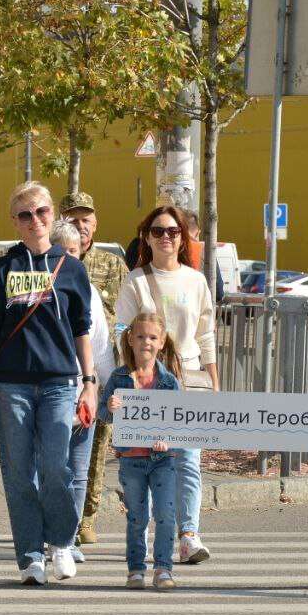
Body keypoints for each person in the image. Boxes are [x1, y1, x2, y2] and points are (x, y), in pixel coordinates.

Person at [0, 181, 95, 586]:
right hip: (12, 386)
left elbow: (83, 329)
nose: (34, 221)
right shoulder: (1, 270)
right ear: (15, 221)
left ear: (52, 215)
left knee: (56, 466)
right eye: (25, 215)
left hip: (60, 382)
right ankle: (29, 556)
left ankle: (61, 541)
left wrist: (90, 382)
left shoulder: (72, 268)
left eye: (41, 212)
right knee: (19, 473)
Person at [116, 205, 218, 564]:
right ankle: (142, 533)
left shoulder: (196, 280)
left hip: (189, 378)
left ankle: (188, 535)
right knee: (147, 461)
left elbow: (206, 334)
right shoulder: (136, 281)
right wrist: (131, 375)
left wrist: (213, 382)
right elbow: (121, 333)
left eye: (173, 232)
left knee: (188, 460)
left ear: (183, 238)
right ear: (146, 236)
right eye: (158, 231)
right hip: (148, 382)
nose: (166, 238)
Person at [58, 191, 126, 548]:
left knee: (96, 442)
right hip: (59, 368)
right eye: (73, 218)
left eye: (86, 219)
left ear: (95, 224)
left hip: (100, 365)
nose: (80, 225)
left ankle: (87, 517)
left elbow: (126, 314)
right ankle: (60, 518)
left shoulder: (112, 265)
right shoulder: (52, 259)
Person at [100, 312, 182, 591]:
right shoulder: (119, 376)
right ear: (131, 340)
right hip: (131, 458)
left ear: (161, 343)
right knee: (137, 516)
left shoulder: (169, 381)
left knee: (165, 514)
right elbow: (102, 413)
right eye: (140, 336)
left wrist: (167, 439)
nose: (146, 342)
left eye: (152, 337)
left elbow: (181, 420)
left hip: (162, 460)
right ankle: (136, 569)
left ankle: (163, 569)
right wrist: (109, 408)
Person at [50, 218, 115, 563]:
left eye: (74, 251)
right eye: (62, 251)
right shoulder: (41, 289)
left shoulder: (88, 290)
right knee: (52, 469)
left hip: (83, 392)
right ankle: (50, 536)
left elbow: (101, 347)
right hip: (50, 391)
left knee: (78, 471)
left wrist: (106, 388)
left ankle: (69, 536)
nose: (69, 258)